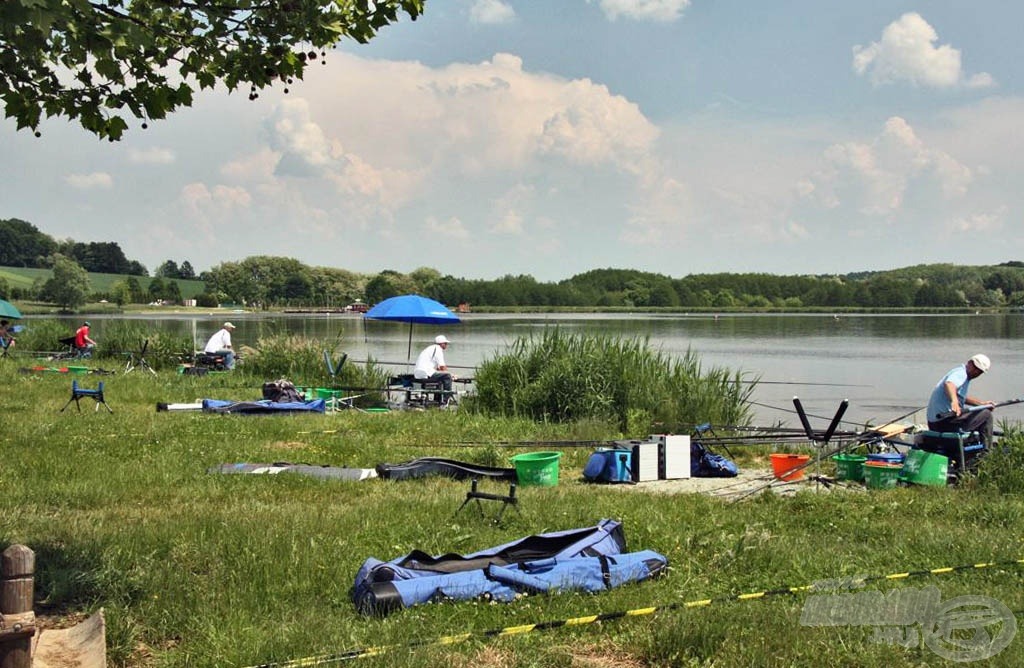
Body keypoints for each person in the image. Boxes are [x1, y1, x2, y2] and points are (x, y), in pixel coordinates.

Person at [926, 353, 995, 445]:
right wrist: (954, 401)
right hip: (943, 423)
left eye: (979, 371)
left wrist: (982, 404)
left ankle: (976, 444)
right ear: (969, 363)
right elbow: (949, 384)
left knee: (982, 412)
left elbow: (961, 397)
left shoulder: (961, 376)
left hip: (935, 424)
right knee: (986, 415)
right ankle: (987, 453)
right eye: (975, 368)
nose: (975, 372)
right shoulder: (961, 373)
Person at [414, 334, 456, 402]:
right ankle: (447, 399)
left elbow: (439, 368)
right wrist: (452, 375)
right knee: (447, 377)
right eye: (445, 343)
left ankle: (438, 399)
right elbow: (442, 367)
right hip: (425, 374)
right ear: (441, 343)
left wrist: (445, 372)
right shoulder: (438, 349)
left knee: (441, 377)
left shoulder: (430, 348)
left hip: (418, 374)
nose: (446, 345)